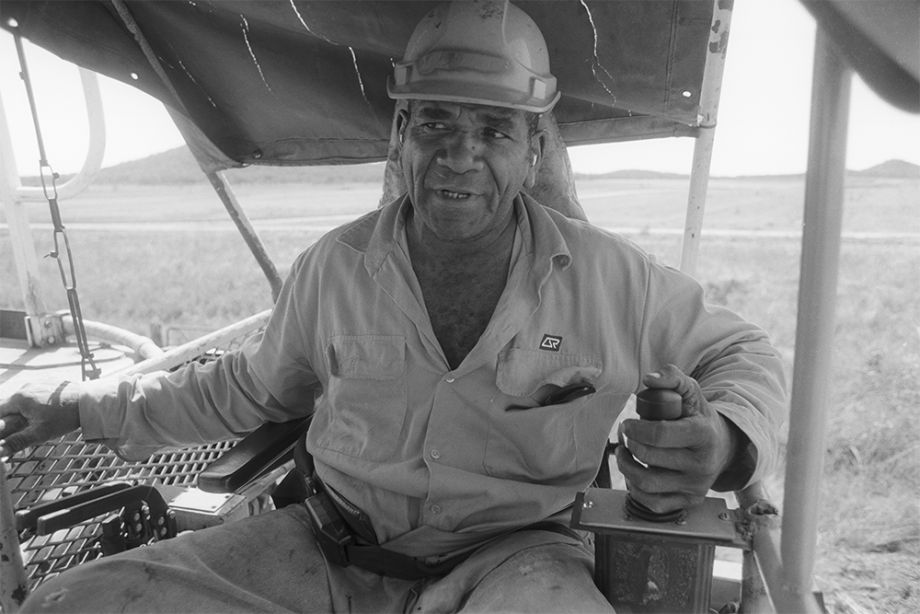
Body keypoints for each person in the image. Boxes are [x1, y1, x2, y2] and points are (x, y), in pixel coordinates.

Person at [0, 1, 785, 612]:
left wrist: (722, 440)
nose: (459, 154)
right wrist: (78, 405)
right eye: (436, 121)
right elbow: (242, 390)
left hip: (516, 559)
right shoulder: (333, 270)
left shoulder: (614, 278)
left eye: (494, 128)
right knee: (73, 599)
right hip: (326, 550)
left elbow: (743, 353)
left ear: (534, 148)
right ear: (401, 135)